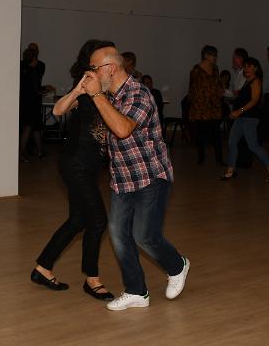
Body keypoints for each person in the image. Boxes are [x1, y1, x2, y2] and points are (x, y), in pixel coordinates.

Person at [81, 45, 189, 311]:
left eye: (94, 68)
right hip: (123, 179)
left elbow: (122, 129)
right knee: (118, 234)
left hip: (151, 176)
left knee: (144, 236)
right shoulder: (111, 96)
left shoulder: (139, 93)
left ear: (110, 68)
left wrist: (96, 96)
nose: (91, 74)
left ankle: (177, 265)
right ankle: (136, 291)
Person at [31, 40, 115, 301]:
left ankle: (42, 267)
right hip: (75, 163)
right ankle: (92, 279)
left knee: (78, 219)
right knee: (98, 220)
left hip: (89, 165)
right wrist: (78, 90)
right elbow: (58, 110)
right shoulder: (87, 84)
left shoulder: (110, 86)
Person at [221, 58, 269, 183]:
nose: (246, 69)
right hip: (241, 118)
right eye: (245, 66)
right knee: (232, 142)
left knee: (253, 146)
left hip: (249, 118)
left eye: (249, 66)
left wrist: (238, 111)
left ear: (255, 68)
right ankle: (230, 170)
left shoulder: (256, 81)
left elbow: (254, 101)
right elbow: (244, 99)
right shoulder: (247, 81)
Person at [188, 45, 224, 165]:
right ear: (206, 56)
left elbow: (218, 84)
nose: (215, 58)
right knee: (201, 135)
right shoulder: (196, 71)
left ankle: (219, 160)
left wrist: (220, 91)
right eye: (213, 55)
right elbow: (192, 89)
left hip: (214, 107)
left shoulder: (215, 69)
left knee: (216, 134)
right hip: (201, 108)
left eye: (215, 55)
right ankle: (201, 159)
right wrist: (193, 109)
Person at [19, 48, 44, 162]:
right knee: (28, 129)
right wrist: (46, 89)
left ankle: (39, 150)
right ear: (34, 58)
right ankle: (21, 154)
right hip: (32, 104)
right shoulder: (33, 71)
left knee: (32, 128)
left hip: (23, 102)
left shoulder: (21, 69)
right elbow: (36, 90)